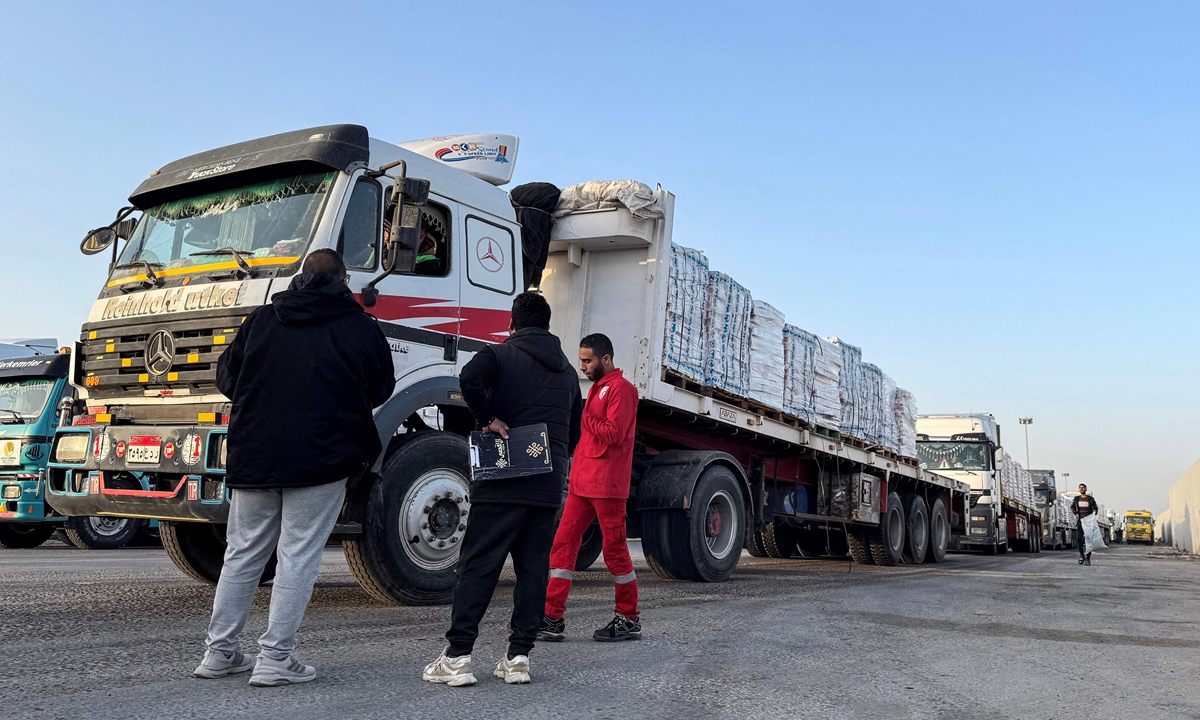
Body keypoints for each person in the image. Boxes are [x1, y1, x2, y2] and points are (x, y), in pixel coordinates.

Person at [194, 249, 395, 686]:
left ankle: (219, 653)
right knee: (297, 554)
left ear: (301, 278)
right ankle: (275, 659)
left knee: (242, 553)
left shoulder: (262, 320)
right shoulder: (361, 326)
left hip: (255, 451)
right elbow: (381, 387)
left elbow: (227, 378)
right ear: (344, 281)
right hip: (322, 455)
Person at [423, 292, 583, 687]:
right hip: (547, 486)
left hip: (502, 479)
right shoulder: (566, 373)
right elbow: (575, 430)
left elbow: (469, 379)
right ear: (547, 326)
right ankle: (518, 658)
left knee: (479, 566)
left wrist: (490, 418)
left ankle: (458, 656)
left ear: (512, 323)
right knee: (532, 571)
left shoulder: (499, 355)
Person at [539, 333, 641, 643]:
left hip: (607, 486)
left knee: (615, 552)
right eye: (581, 360)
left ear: (605, 359)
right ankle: (551, 618)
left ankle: (629, 618)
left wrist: (584, 418)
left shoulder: (622, 390)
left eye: (587, 360)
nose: (582, 366)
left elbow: (614, 433)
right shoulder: (600, 388)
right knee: (562, 545)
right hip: (584, 483)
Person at [1072, 483, 1098, 566]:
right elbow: (1072, 507)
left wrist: (1094, 513)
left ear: (1086, 489)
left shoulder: (1090, 499)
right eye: (1080, 488)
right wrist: (1076, 513)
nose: (1081, 489)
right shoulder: (1076, 499)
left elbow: (1095, 508)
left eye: (1083, 488)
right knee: (1079, 539)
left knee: (1088, 540)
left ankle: (1088, 558)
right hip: (1080, 522)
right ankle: (1081, 555)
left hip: (1088, 523)